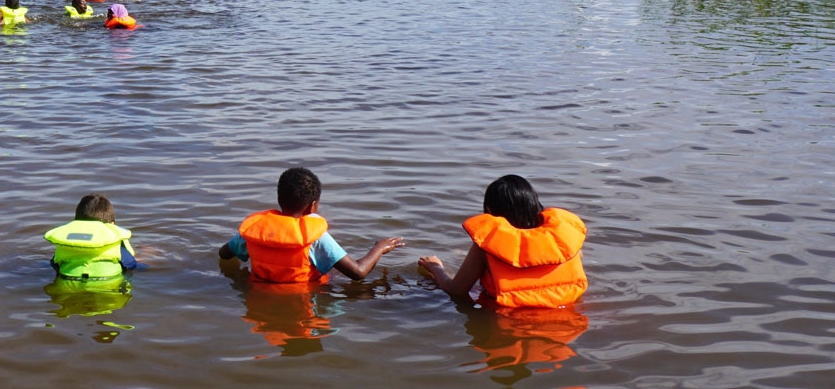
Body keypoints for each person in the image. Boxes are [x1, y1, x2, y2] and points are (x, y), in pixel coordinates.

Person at [419, 174, 588, 308]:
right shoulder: (566, 242)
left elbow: (457, 291)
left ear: (489, 211)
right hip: (566, 318)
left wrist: (435, 268)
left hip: (508, 320)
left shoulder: (487, 247)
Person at [219, 167, 405, 284]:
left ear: (278, 199)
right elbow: (358, 272)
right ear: (312, 205)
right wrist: (379, 248)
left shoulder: (254, 232)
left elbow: (224, 254)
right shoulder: (316, 237)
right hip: (306, 297)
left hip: (261, 293)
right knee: (361, 288)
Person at [46, 194, 138, 280]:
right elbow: (130, 264)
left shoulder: (66, 239)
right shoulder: (114, 238)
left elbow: (55, 264)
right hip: (107, 285)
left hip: (68, 283)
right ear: (112, 224)